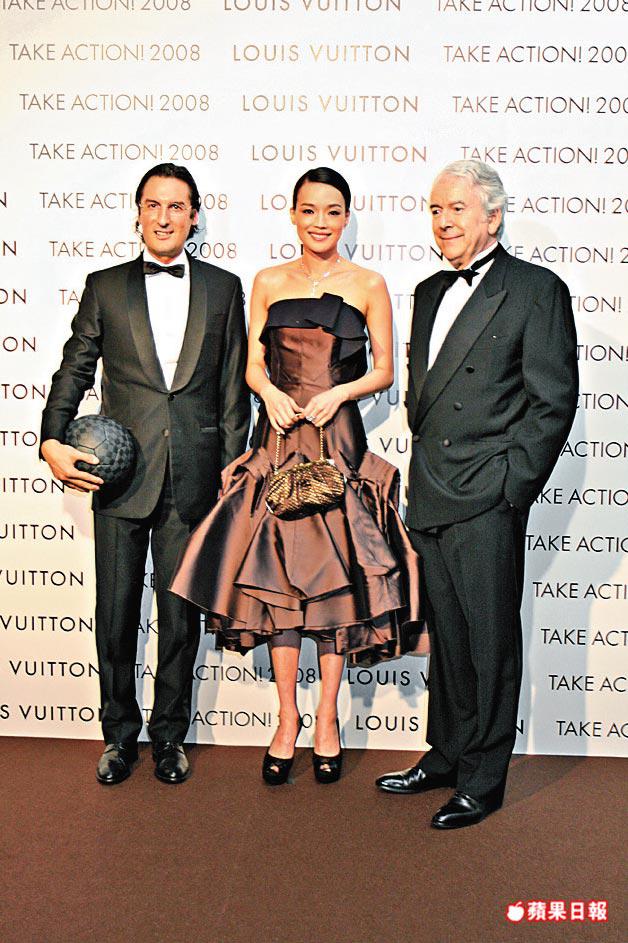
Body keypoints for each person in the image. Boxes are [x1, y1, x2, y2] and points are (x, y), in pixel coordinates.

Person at [171, 167, 422, 785]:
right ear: (292, 214)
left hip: (337, 438)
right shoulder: (268, 280)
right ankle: (287, 720)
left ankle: (327, 720)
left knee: (337, 583)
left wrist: (341, 393)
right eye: (309, 210)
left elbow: (385, 370)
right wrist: (269, 395)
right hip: (280, 437)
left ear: (347, 217)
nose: (320, 222)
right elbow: (253, 365)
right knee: (277, 579)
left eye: (332, 211)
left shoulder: (368, 283)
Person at [376, 160, 578, 827]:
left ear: (493, 215)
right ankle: (446, 754)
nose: (443, 221)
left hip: (487, 495)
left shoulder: (536, 290)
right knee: (450, 640)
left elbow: (552, 402)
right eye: (435, 210)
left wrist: (511, 487)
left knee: (490, 644)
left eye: (456, 208)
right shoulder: (429, 290)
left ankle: (484, 778)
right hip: (432, 487)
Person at [40, 163, 250, 785]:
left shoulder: (223, 288)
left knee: (181, 620)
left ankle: (169, 737)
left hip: (194, 478)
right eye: (153, 205)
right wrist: (51, 439)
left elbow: (232, 391)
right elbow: (74, 368)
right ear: (138, 214)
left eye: (177, 206)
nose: (164, 217)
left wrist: (230, 471)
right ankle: (117, 736)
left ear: (194, 217)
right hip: (120, 478)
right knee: (115, 614)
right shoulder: (105, 286)